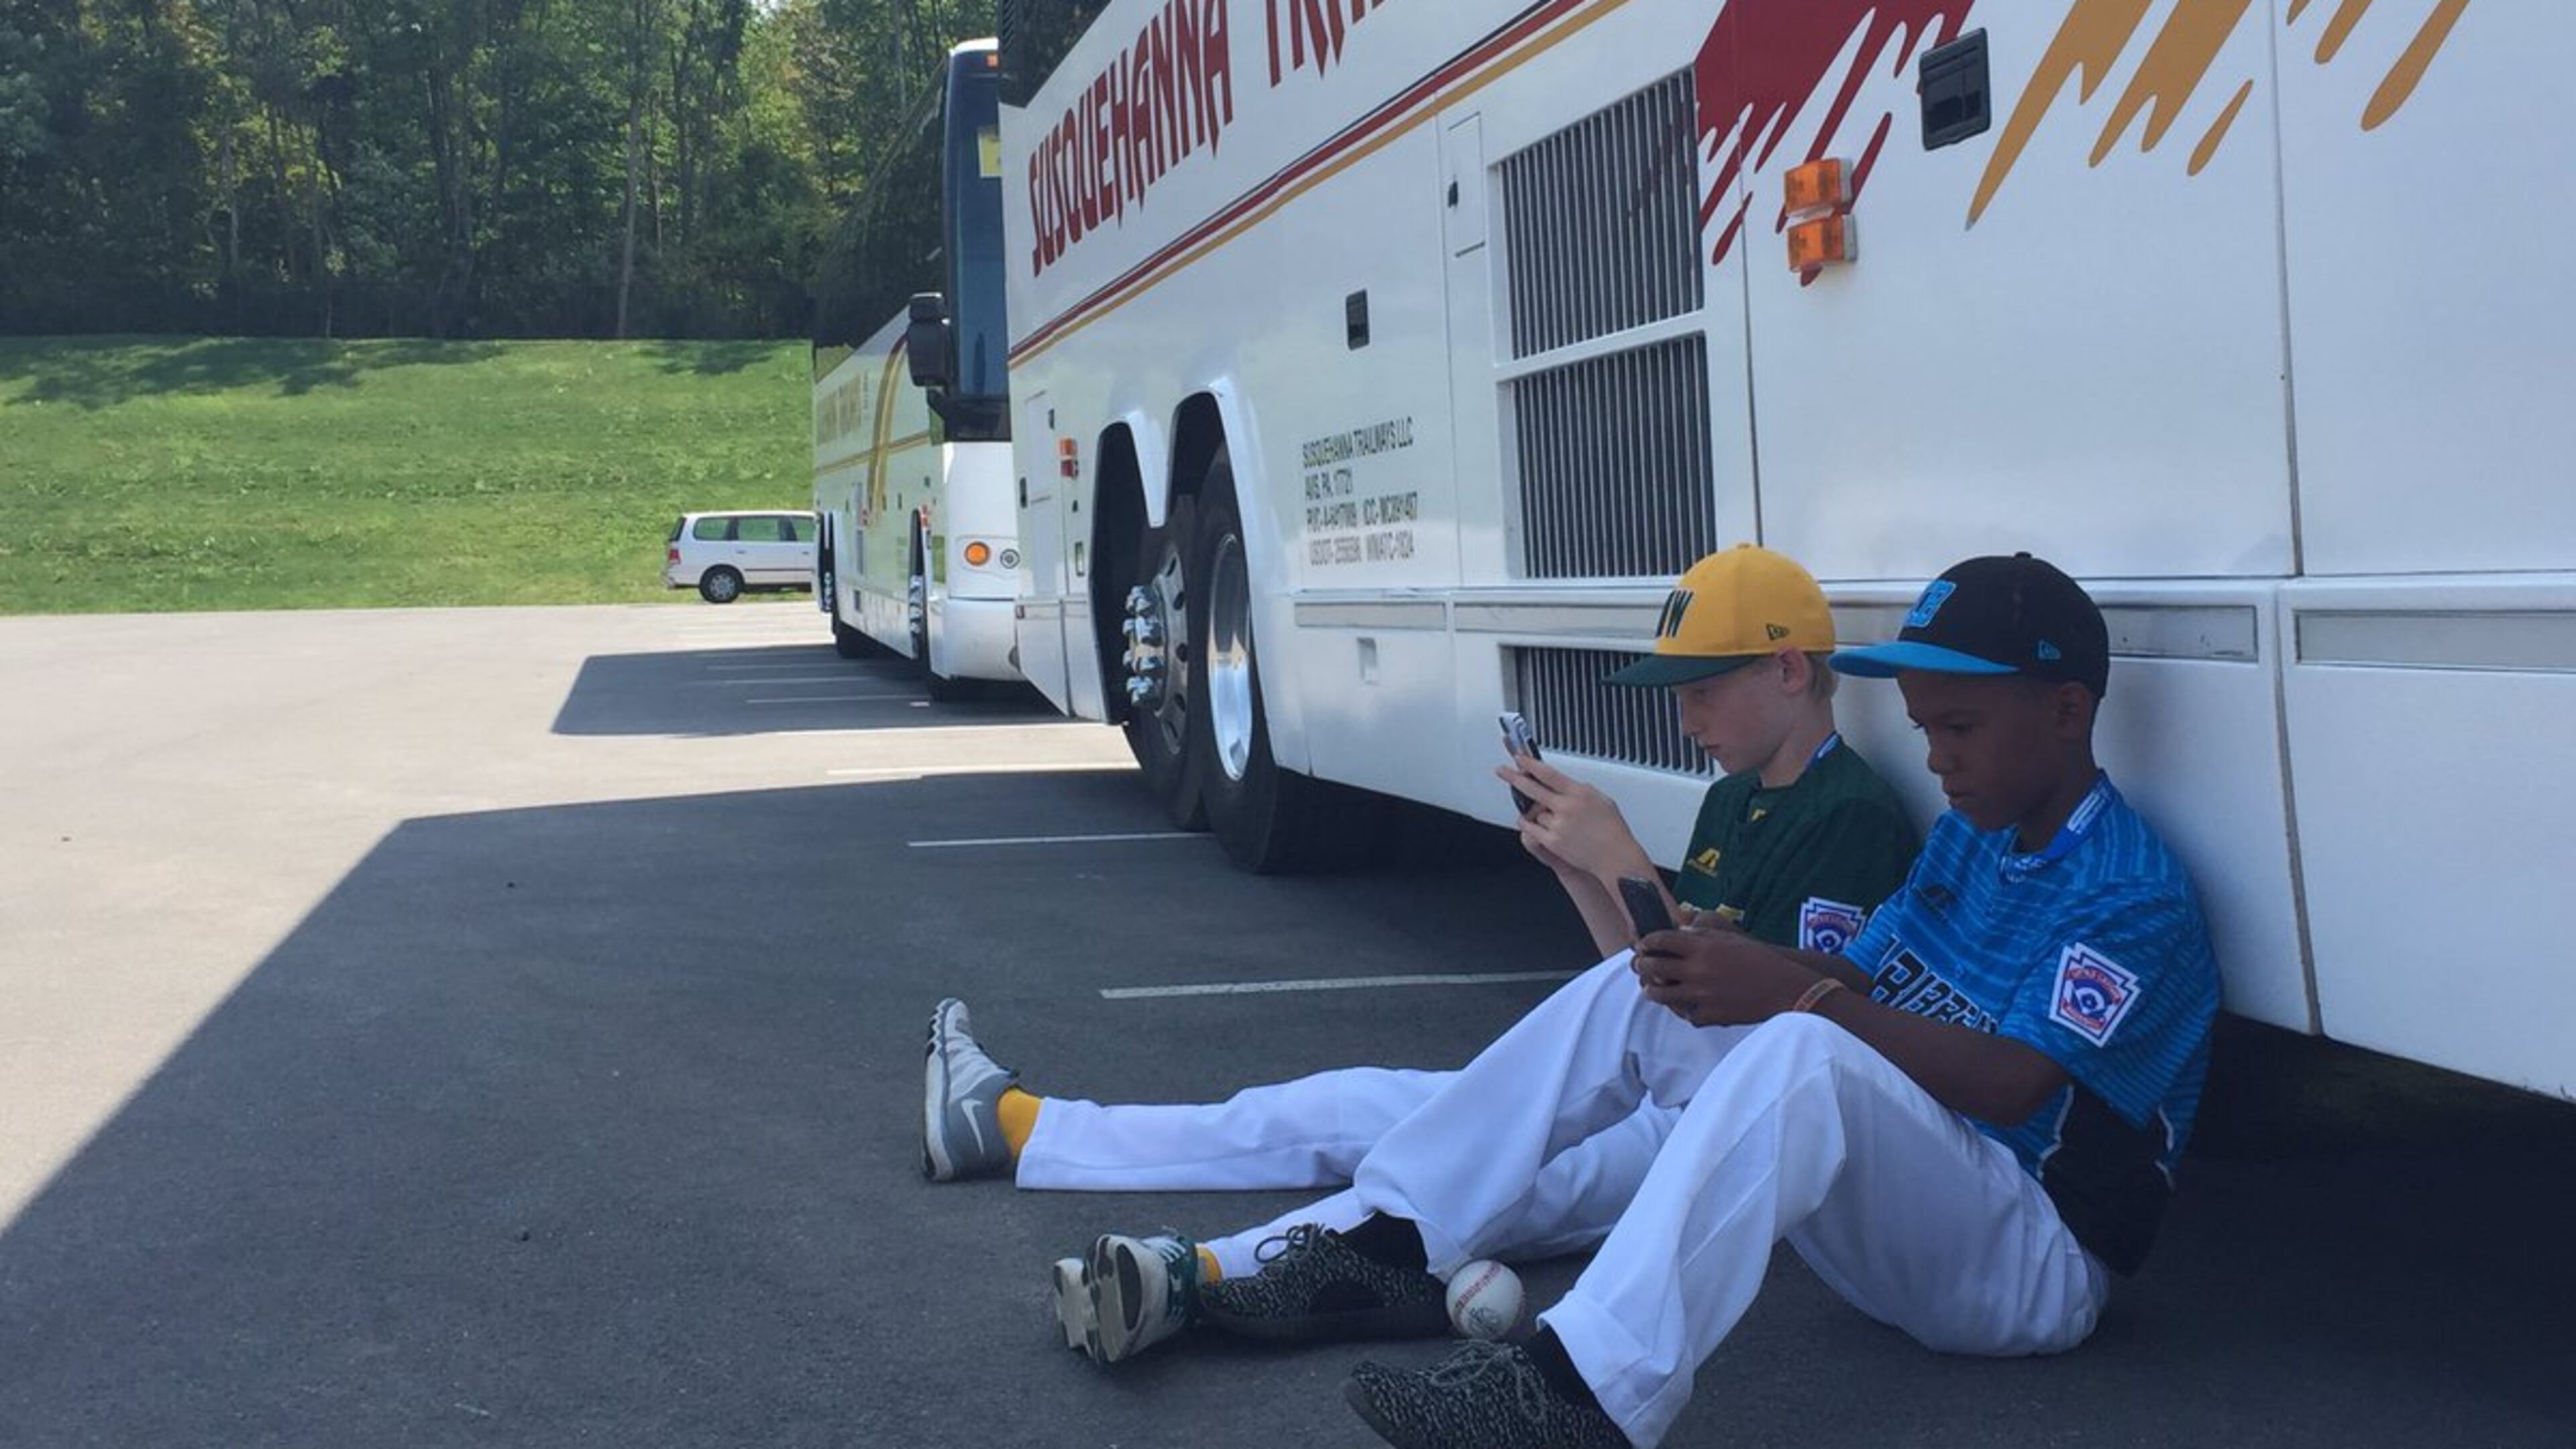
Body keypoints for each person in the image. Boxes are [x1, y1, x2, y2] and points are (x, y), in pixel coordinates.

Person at [1186, 553, 2221, 1449]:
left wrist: (1795, 992)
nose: (1938, 757)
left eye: (1959, 726)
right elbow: (1865, 974)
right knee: (1646, 992)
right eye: (1922, 728)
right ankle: (1394, 1240)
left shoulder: (2131, 892)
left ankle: (1579, 1393)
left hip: (2032, 1262)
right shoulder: (1974, 835)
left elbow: (2008, 1085)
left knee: (1799, 1046)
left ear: (2067, 711)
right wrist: (1739, 967)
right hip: (1920, 1207)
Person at [918, 544, 1921, 1363]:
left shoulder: (1851, 817)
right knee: (1350, 1103)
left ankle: (1195, 1274)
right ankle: (1021, 1125)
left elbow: (1761, 1030)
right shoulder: (1735, 797)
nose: (1684, 715)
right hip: (1658, 1078)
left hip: (1716, 1126)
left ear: (1789, 670)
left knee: (1478, 1188)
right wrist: (1576, 865)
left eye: (1702, 689)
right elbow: (1643, 984)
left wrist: (1617, 852)